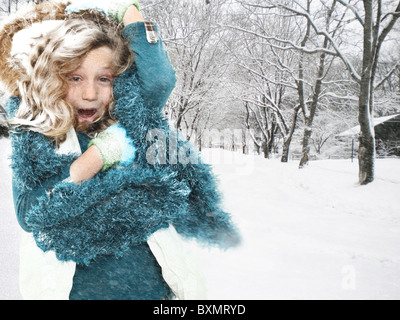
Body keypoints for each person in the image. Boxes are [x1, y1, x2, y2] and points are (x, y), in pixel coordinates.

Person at [0, 0, 240, 300]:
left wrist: (126, 10)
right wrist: (97, 156)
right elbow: (30, 213)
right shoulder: (38, 133)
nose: (90, 93)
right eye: (75, 77)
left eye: (104, 79)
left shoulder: (128, 119)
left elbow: (161, 79)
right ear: (55, 80)